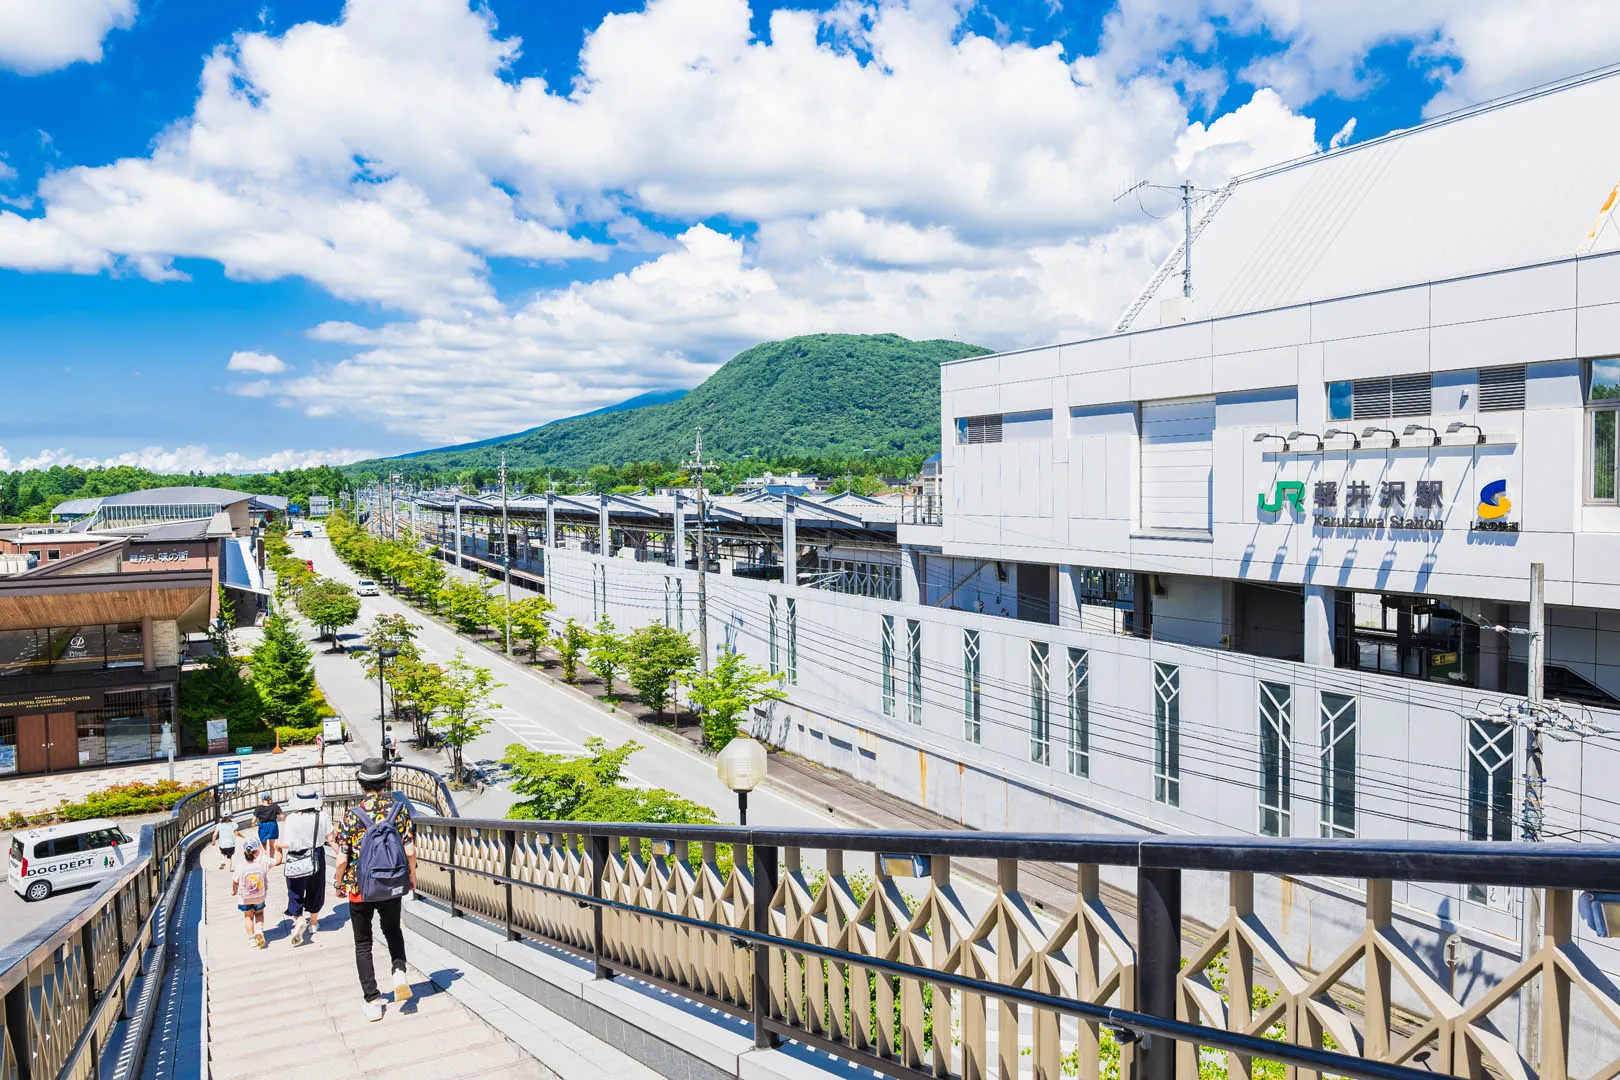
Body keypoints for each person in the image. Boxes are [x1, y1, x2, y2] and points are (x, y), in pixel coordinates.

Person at [331, 757, 417, 1022]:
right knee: (392, 929)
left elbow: (343, 859)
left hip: (360, 887)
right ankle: (399, 970)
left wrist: (338, 883)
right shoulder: (399, 810)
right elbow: (410, 849)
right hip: (391, 882)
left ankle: (373, 1000)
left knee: (363, 943)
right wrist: (411, 876)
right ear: (387, 781)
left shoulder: (351, 815)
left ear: (361, 783)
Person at [280, 785, 329, 946]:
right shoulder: (322, 816)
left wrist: (277, 848)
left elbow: (288, 843)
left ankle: (299, 919)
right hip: (316, 855)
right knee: (316, 889)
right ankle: (313, 924)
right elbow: (331, 836)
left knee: (295, 890)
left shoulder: (291, 819)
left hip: (296, 858)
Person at [232, 837, 270, 948]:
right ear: (257, 851)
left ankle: (252, 939)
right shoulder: (261, 863)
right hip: (259, 896)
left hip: (245, 898)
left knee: (248, 917)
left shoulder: (240, 866)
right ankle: (259, 931)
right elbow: (273, 863)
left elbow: (235, 881)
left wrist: (234, 891)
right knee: (259, 913)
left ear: (244, 852)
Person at [253, 793, 281, 858]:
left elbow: (253, 821)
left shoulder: (258, 808)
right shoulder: (275, 806)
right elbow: (282, 816)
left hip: (263, 826)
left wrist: (255, 824)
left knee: (263, 844)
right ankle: (271, 859)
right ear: (270, 798)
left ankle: (265, 858)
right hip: (272, 825)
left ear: (262, 800)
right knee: (272, 845)